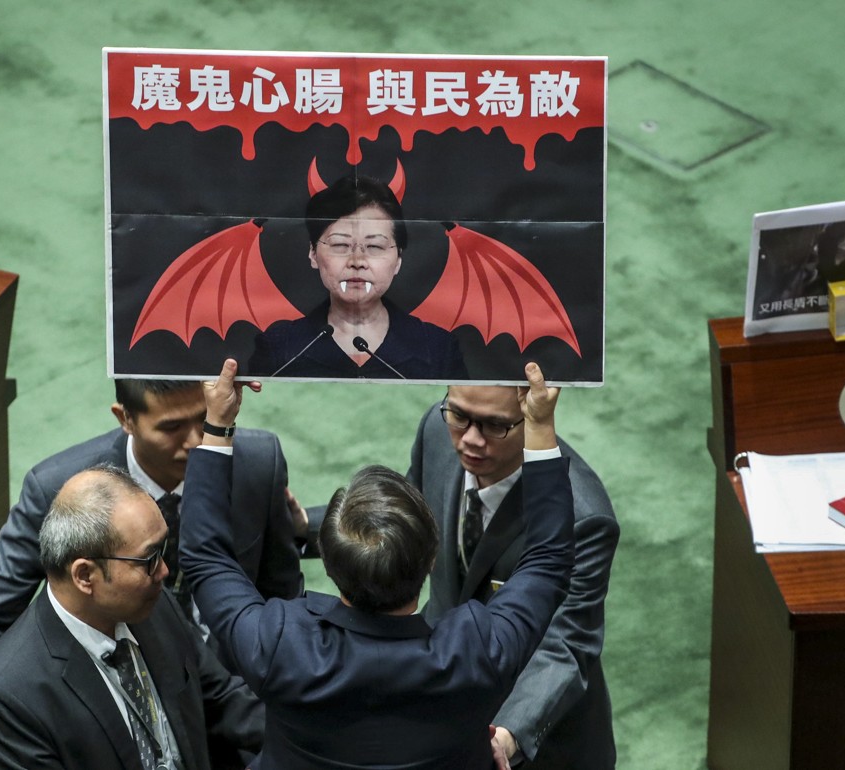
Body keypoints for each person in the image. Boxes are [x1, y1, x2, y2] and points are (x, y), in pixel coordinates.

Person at [0, 379, 302, 763]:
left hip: (236, 695)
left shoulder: (256, 463)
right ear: (125, 418)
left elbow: (282, 593)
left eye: (203, 421)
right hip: (119, 712)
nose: (193, 442)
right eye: (170, 427)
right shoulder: (64, 492)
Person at [180, 359, 573, 769]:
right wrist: (540, 424)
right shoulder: (477, 650)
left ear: (329, 565)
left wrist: (218, 423)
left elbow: (205, 556)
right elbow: (549, 558)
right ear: (431, 555)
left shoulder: (279, 644)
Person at [0, 465, 263, 769]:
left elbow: (220, 699)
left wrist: (306, 733)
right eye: (149, 558)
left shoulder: (150, 604)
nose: (163, 571)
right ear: (85, 575)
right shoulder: (7, 700)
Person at [410, 383, 620, 768]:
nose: (470, 440)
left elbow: (566, 646)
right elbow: (401, 527)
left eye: (494, 426)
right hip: (440, 707)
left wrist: (506, 736)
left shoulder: (583, 517)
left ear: (531, 416)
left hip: (535, 737)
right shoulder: (436, 432)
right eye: (459, 416)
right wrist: (304, 525)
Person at [247, 174, 467, 380]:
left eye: (374, 246)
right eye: (340, 245)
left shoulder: (439, 348)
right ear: (313, 253)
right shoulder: (279, 347)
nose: (357, 261)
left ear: (398, 259)